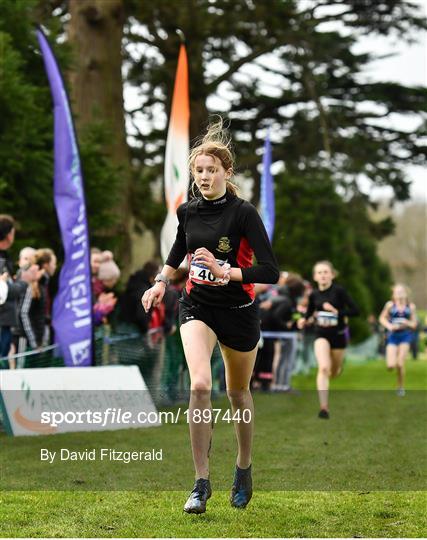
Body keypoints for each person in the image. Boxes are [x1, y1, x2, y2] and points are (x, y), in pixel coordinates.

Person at [142, 119, 279, 513]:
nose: (203, 177)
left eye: (210, 170)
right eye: (198, 171)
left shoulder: (243, 213)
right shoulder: (188, 211)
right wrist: (159, 284)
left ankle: (243, 466)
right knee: (200, 385)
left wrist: (226, 272)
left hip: (238, 311)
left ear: (226, 173)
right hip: (197, 306)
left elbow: (270, 271)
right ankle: (201, 483)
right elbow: (175, 256)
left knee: (238, 393)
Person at [297, 260, 359, 419]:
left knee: (334, 372)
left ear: (332, 274)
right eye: (319, 272)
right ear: (315, 277)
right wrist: (304, 320)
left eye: (326, 272)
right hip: (321, 334)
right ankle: (324, 407)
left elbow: (355, 311)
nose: (323, 275)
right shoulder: (314, 295)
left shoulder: (340, 291)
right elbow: (310, 313)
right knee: (324, 368)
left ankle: (337, 368)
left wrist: (336, 311)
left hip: (338, 336)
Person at [0, 215, 37, 365]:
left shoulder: (4, 258)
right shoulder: (1, 260)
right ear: (9, 234)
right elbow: (4, 291)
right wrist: (24, 282)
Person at [379, 284, 417, 396]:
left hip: (405, 336)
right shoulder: (390, 305)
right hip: (393, 336)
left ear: (406, 293)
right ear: (393, 294)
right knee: (390, 366)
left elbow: (414, 324)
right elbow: (381, 318)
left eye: (401, 291)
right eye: (397, 291)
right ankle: (393, 360)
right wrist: (389, 326)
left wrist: (407, 323)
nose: (399, 293)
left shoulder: (410, 307)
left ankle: (400, 387)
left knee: (400, 364)